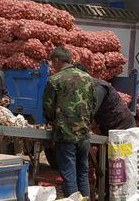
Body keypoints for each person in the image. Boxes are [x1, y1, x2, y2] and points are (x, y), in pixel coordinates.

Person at [43, 46, 95, 198]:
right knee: (83, 172)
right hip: (84, 133)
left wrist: (52, 122)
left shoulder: (55, 80)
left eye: (52, 63)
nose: (52, 67)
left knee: (69, 173)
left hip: (65, 134)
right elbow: (93, 104)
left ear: (57, 60)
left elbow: (48, 106)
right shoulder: (88, 78)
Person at [74, 63, 136, 135]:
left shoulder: (98, 87)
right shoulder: (83, 89)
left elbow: (89, 111)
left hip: (122, 127)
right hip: (108, 127)